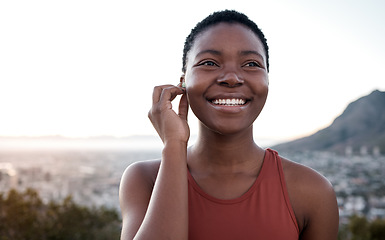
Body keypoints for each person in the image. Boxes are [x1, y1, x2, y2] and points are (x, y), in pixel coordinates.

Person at [119, 10, 339, 240]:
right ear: (183, 80)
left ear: (267, 80)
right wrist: (174, 144)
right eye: (210, 63)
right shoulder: (144, 179)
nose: (232, 77)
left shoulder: (312, 191)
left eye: (251, 64)